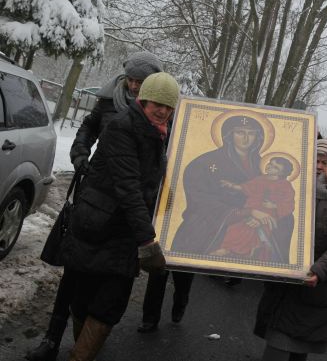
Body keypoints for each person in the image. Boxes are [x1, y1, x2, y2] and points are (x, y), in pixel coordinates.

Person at [26, 52, 165, 361]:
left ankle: (84, 341)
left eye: (140, 82)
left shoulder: (160, 114)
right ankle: (51, 340)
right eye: (130, 79)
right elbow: (87, 129)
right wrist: (79, 154)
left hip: (126, 209)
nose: (133, 86)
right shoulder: (109, 104)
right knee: (74, 272)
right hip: (95, 198)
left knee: (99, 280)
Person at [59, 72, 179, 360]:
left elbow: (152, 183)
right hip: (100, 226)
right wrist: (148, 242)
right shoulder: (122, 127)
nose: (162, 110)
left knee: (110, 304)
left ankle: (81, 354)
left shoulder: (159, 133)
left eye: (168, 106)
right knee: (85, 297)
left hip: (123, 229)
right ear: (142, 100)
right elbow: (128, 187)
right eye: (156, 104)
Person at [254, 140, 327, 361]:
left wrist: (319, 269)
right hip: (288, 277)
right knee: (285, 339)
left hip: (320, 283)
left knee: (291, 342)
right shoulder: (303, 189)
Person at [171, 113, 267, 254]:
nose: (246, 138)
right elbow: (200, 200)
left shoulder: (265, 166)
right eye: (240, 132)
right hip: (211, 224)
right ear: (229, 135)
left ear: (258, 137)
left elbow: (272, 196)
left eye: (251, 134)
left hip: (253, 224)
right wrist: (244, 212)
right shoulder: (204, 163)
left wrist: (263, 213)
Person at [214, 156, 296, 261]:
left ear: (281, 173)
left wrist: (274, 206)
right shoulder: (260, 179)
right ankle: (226, 248)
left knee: (251, 230)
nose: (270, 167)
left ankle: (246, 251)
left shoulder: (285, 186)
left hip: (268, 214)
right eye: (270, 164)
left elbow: (289, 204)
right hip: (251, 210)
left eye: (275, 167)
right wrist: (232, 186)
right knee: (235, 227)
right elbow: (246, 188)